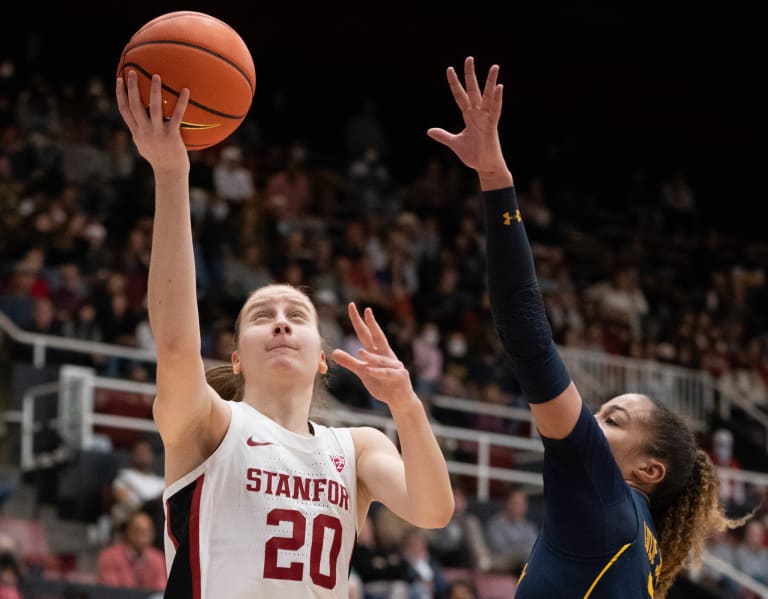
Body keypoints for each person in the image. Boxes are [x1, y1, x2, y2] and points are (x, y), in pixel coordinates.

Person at [115, 70, 453, 598]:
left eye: (297, 315)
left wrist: (407, 407)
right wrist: (172, 173)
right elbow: (178, 344)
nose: (279, 321)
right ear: (238, 358)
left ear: (323, 357)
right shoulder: (207, 424)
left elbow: (432, 511)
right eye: (260, 315)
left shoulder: (356, 447)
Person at [427, 56, 749, 598]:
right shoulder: (634, 538)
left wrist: (495, 180)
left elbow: (524, 327)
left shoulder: (605, 494)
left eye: (612, 420)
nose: (588, 422)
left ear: (648, 469)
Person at [96, 510, 166, 591]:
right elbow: (111, 591)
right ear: (128, 531)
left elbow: (161, 591)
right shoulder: (109, 556)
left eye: (147, 531)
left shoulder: (158, 559)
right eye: (138, 531)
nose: (142, 536)